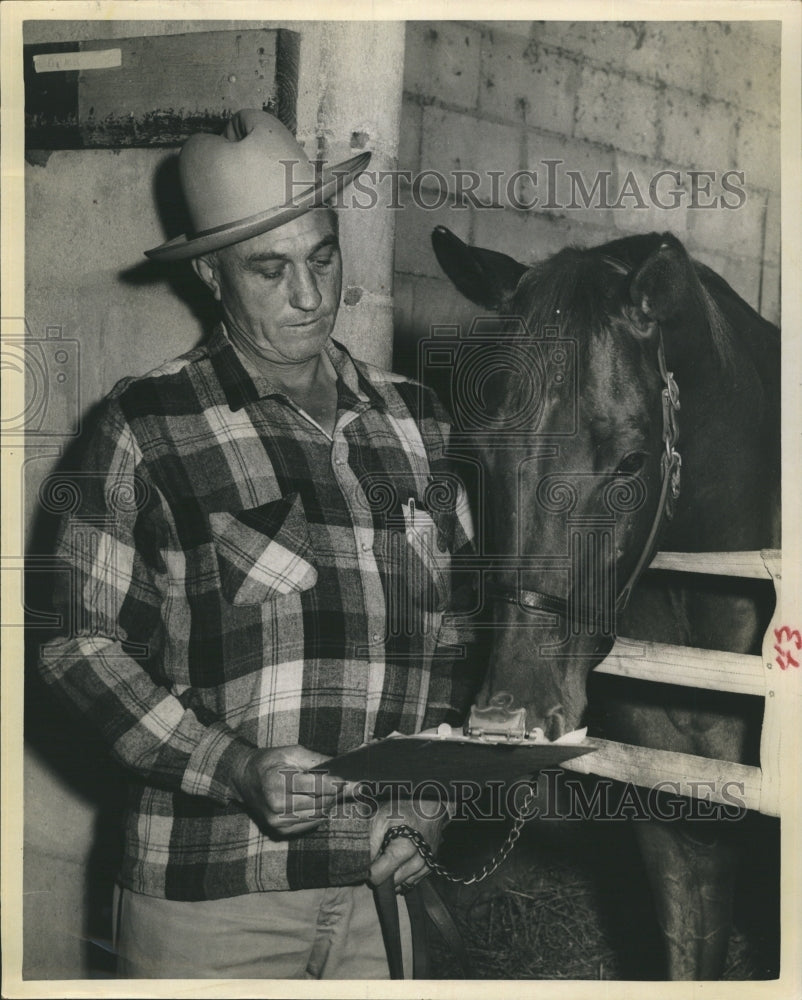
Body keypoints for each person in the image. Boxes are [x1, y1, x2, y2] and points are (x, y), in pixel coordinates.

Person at [37, 109, 476, 979]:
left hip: (382, 897)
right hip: (211, 900)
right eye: (269, 270)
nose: (309, 296)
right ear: (209, 273)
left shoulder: (418, 423)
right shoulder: (144, 425)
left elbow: (458, 640)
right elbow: (76, 648)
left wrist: (434, 797)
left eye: (322, 257)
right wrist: (234, 768)